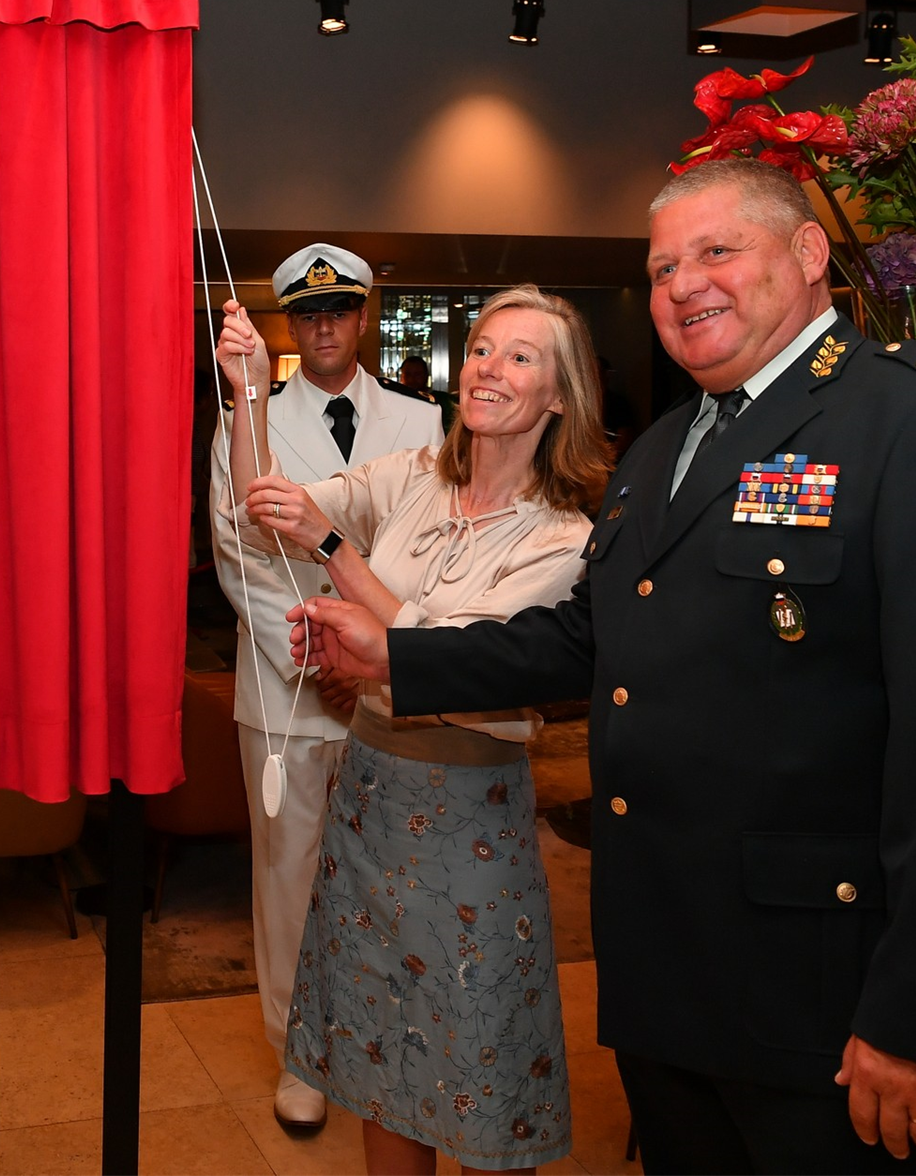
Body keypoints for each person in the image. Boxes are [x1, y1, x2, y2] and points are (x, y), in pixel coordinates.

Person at [291, 157, 916, 1175]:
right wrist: (401, 655)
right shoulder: (659, 454)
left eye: (716, 251)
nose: (684, 283)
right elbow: (582, 641)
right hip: (664, 974)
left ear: (808, 254)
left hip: (817, 993)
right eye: (660, 268)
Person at [216, 284, 613, 1176]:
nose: (488, 368)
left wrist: (337, 555)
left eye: (520, 356)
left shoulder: (564, 538)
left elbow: (455, 659)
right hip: (368, 804)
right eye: (480, 348)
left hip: (467, 818)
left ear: (561, 395)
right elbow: (263, 503)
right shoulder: (414, 478)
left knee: (478, 1052)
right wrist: (247, 392)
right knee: (378, 1051)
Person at [207, 242, 444, 1129]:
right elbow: (242, 555)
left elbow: (428, 554)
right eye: (307, 314)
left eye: (338, 311)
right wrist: (319, 661)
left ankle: (391, 1037)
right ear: (289, 326)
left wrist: (375, 659)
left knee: (394, 871)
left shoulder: (421, 423)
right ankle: (301, 1054)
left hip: (390, 685)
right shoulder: (248, 413)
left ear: (362, 316)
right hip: (287, 690)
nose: (324, 326)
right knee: (293, 876)